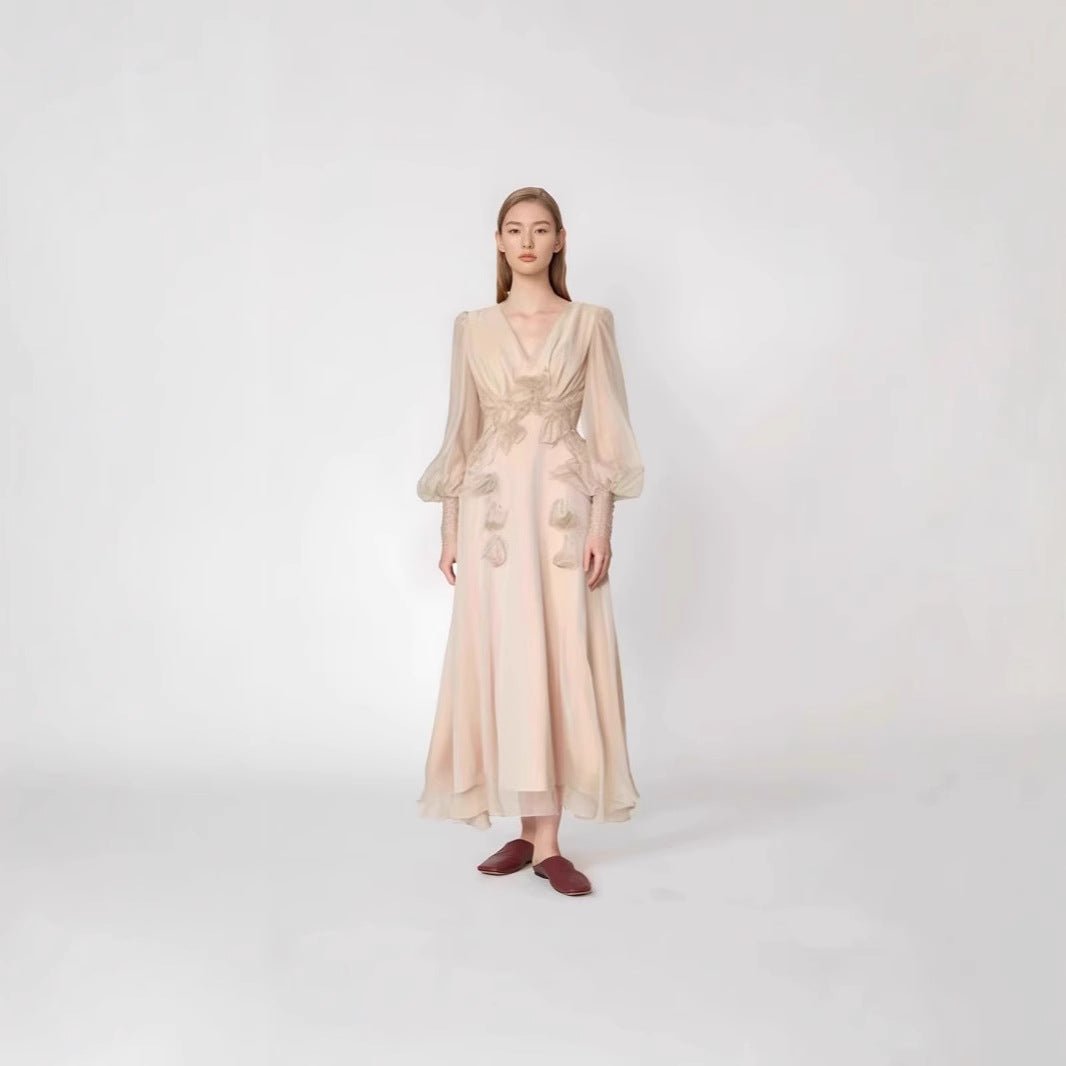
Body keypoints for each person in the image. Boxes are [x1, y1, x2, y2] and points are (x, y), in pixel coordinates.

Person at [415, 186, 645, 897]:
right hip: (492, 519)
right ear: (498, 241)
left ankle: (548, 843)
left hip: (561, 515)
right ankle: (524, 829)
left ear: (559, 239)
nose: (526, 241)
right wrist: (449, 529)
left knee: (559, 652)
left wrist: (603, 525)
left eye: (540, 229)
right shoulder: (473, 328)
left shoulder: (589, 323)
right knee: (505, 654)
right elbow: (462, 431)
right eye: (514, 230)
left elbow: (608, 433)